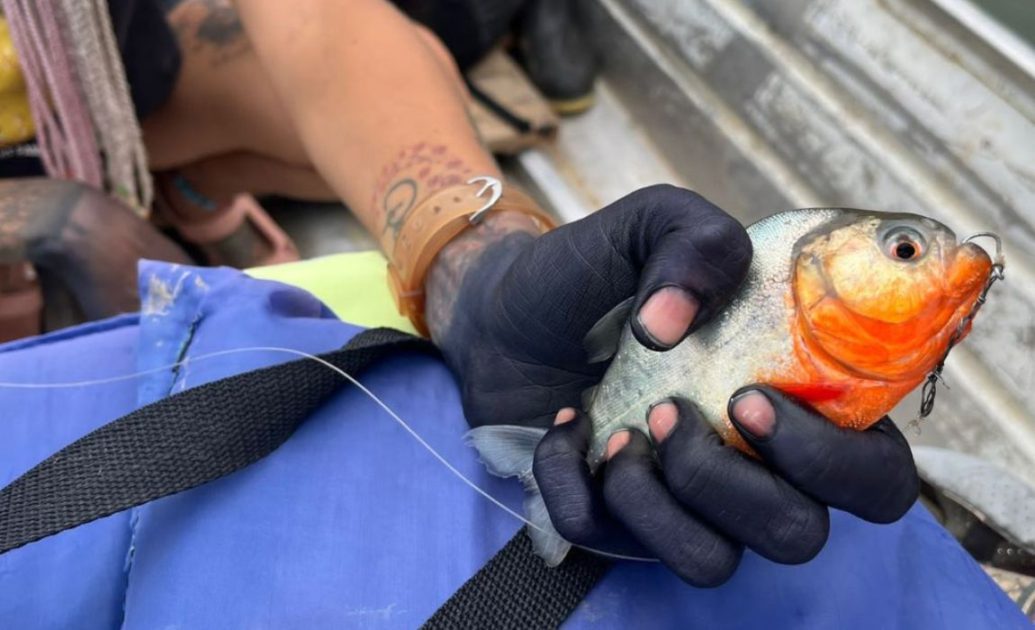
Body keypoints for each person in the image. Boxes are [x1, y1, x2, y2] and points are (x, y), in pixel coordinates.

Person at [0, 2, 1027, 624]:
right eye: (899, 252)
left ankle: (188, 197)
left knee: (418, 54)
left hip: (114, 138)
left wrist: (473, 260)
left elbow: (310, 18)